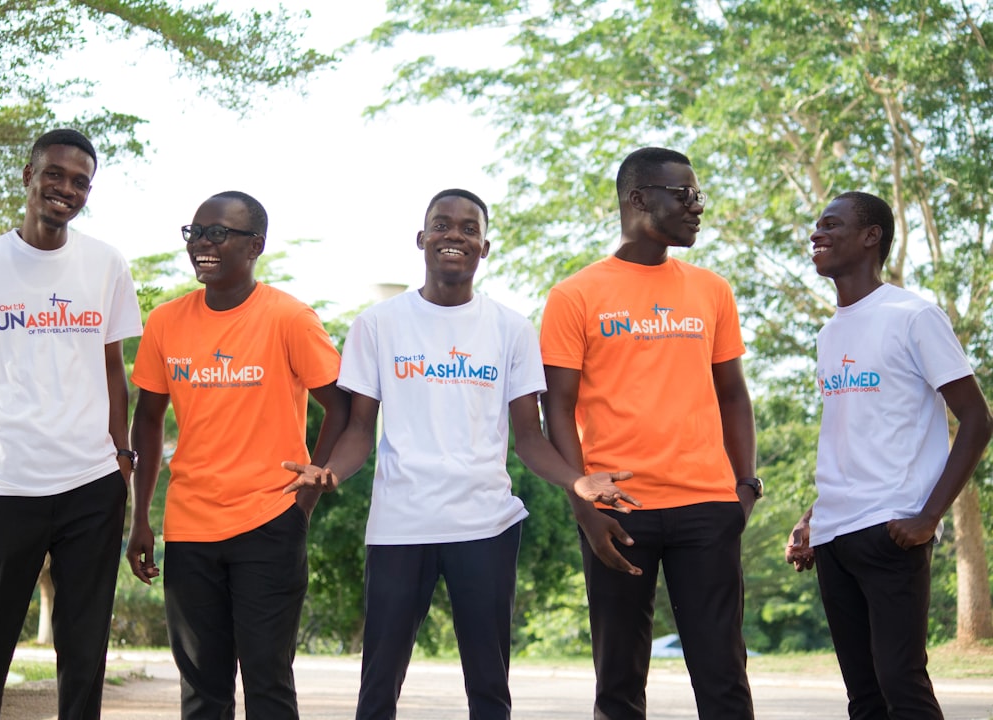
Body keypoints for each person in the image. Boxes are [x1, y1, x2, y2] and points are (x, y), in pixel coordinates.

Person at [281, 188, 638, 720]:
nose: (455, 235)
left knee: (490, 688)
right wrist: (333, 472)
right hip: (401, 524)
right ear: (421, 239)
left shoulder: (511, 328)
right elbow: (359, 428)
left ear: (485, 247)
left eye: (469, 229)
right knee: (378, 685)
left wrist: (575, 481)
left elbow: (531, 438)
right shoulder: (377, 324)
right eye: (442, 225)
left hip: (485, 524)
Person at [0, 128, 143, 720]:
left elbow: (114, 369)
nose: (65, 189)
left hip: (90, 484)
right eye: (55, 174)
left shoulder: (106, 265)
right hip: (2, 483)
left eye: (79, 182)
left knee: (84, 655)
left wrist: (122, 462)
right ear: (28, 176)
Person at [539, 147, 760, 720]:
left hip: (709, 506)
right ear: (639, 199)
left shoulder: (712, 290)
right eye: (683, 195)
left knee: (723, 679)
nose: (697, 207)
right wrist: (584, 506)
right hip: (618, 511)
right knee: (618, 684)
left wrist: (745, 488)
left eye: (698, 196)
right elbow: (557, 410)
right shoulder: (574, 295)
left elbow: (733, 395)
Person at [125, 190, 350, 719]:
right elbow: (148, 421)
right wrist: (140, 517)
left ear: (255, 246)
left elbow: (340, 408)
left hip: (269, 520)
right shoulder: (165, 322)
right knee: (202, 689)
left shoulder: (289, 318)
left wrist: (310, 490)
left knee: (268, 682)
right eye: (196, 233)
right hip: (189, 527)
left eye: (219, 233)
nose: (203, 243)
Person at [784, 191, 993, 719]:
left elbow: (977, 419)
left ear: (871, 235)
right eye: (816, 226)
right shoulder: (829, 334)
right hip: (833, 536)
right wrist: (813, 518)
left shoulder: (913, 315)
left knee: (902, 682)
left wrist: (929, 517)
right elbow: (850, 437)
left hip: (892, 528)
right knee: (865, 695)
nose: (817, 234)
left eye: (831, 225)